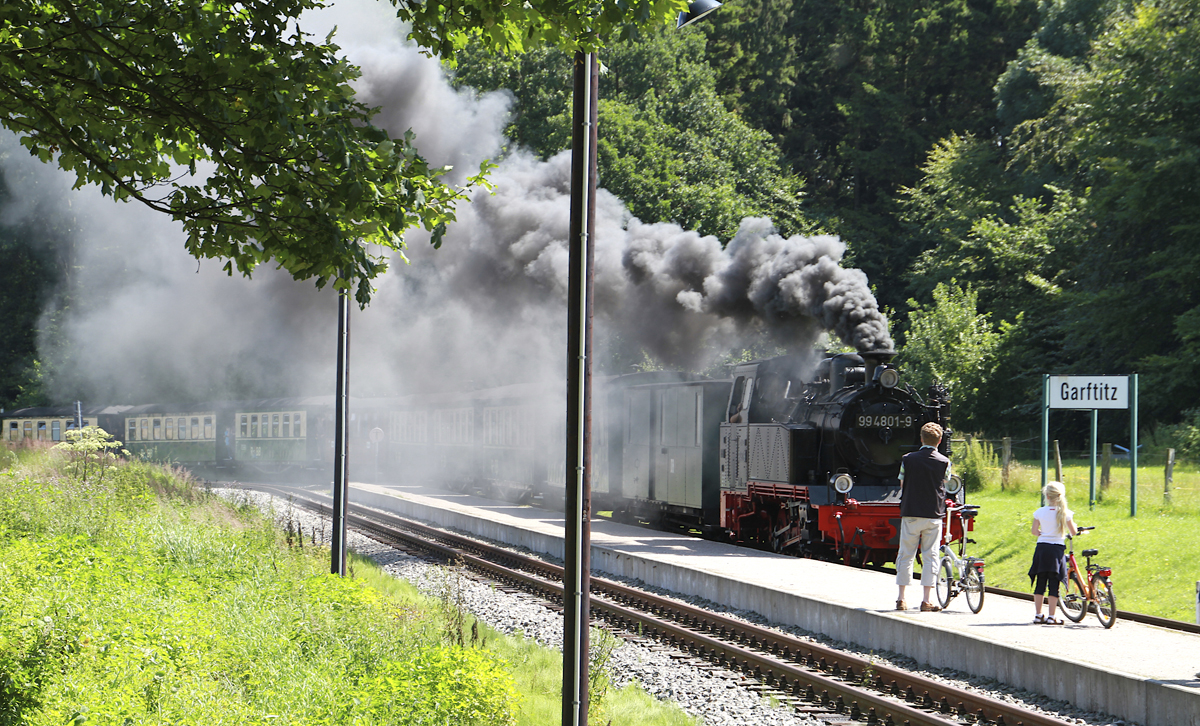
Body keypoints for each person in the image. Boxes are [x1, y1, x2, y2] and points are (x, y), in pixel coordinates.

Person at [895, 421, 952, 612]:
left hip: (911, 512)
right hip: (933, 514)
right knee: (931, 556)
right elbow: (944, 482)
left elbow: (902, 484)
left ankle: (901, 598)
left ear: (921, 439)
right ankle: (926, 600)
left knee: (906, 554)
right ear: (940, 440)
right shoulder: (944, 461)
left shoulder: (907, 459)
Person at [1028, 481, 1080, 624]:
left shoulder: (1039, 512)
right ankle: (1052, 617)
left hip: (1042, 549)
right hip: (1056, 550)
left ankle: (1038, 615)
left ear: (1047, 496)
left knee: (1040, 583)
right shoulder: (1065, 513)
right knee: (1054, 583)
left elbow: (1034, 531)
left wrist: (1044, 533)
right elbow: (1073, 532)